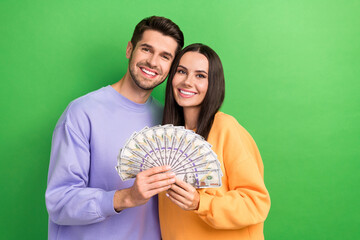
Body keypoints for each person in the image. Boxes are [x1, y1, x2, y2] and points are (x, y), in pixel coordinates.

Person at [45, 16, 184, 240]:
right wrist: (126, 197)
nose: (153, 62)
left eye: (165, 56)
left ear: (171, 66)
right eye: (146, 49)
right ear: (130, 49)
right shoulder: (82, 112)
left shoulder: (168, 122)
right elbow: (59, 202)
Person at [160, 43, 271, 240]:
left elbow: (256, 203)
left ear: (214, 84)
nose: (187, 81)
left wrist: (200, 202)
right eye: (181, 71)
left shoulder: (226, 128)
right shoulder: (166, 139)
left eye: (200, 76)